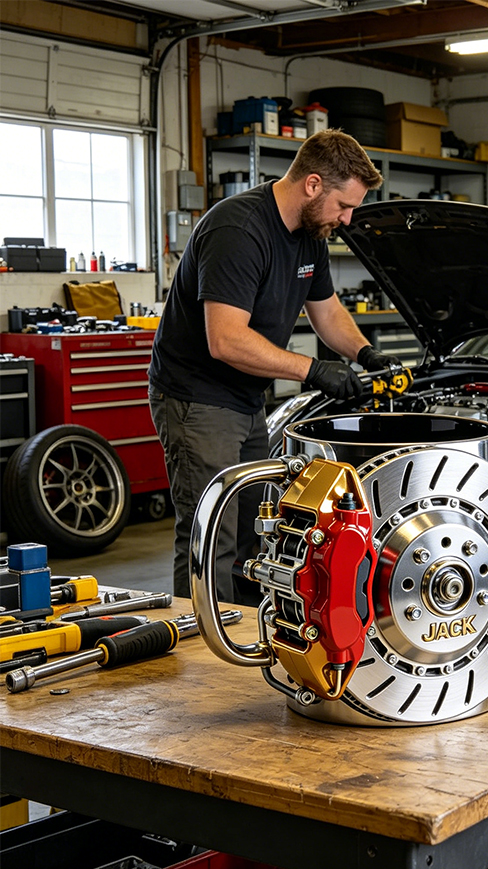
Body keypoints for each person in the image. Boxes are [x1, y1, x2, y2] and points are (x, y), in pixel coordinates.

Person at [148, 128, 399, 605]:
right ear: (312, 184)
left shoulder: (310, 235)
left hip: (247, 401)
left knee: (254, 532)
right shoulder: (238, 231)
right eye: (343, 205)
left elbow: (327, 312)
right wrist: (312, 370)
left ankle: (241, 631)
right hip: (198, 400)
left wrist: (365, 353)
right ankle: (201, 643)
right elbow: (225, 339)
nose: (347, 219)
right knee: (211, 537)